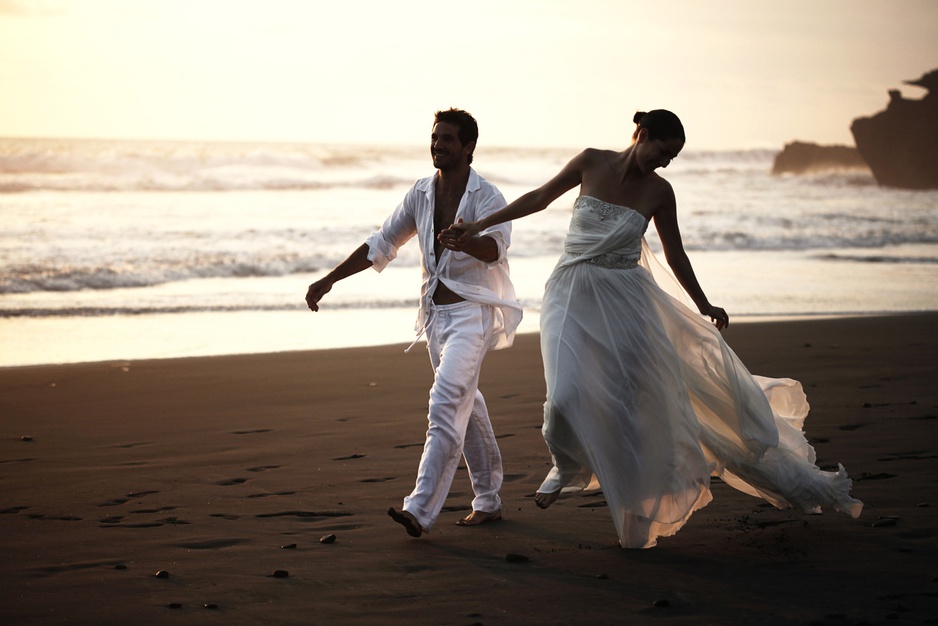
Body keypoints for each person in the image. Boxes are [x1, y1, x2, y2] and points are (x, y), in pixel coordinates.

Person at [441, 109, 862, 548]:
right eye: (663, 150)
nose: (665, 162)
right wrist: (480, 224)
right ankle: (567, 463)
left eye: (673, 157)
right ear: (641, 134)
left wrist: (703, 303)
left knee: (635, 408)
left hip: (627, 300)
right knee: (564, 393)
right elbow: (540, 197)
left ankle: (640, 507)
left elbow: (675, 254)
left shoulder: (660, 191)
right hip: (571, 290)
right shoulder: (591, 162)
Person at [306, 108, 522, 538]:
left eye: (447, 139)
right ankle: (489, 500)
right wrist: (330, 278)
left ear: (468, 147)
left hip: (472, 314)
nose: (438, 145)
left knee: (444, 401)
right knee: (467, 402)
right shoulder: (421, 193)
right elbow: (381, 242)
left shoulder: (488, 197)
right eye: (435, 137)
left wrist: (470, 239)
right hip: (435, 319)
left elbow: (496, 250)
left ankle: (419, 509)